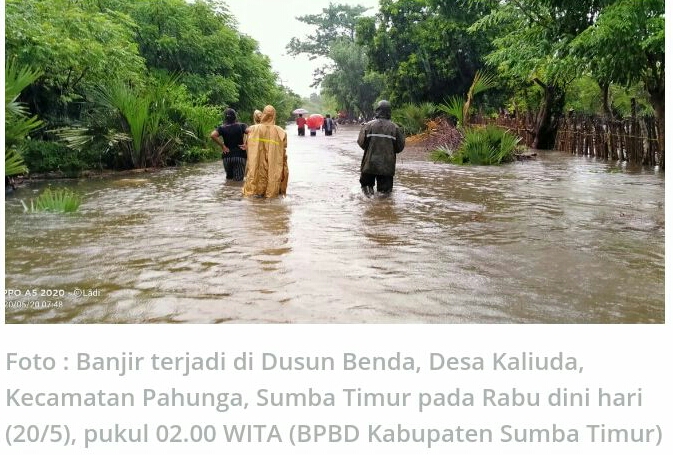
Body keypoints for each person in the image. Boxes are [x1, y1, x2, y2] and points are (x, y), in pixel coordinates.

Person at [357, 100, 405, 195]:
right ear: (389, 112)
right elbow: (400, 147)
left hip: (369, 165)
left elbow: (361, 143)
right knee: (385, 195)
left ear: (377, 111)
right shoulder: (395, 128)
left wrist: (370, 149)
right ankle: (384, 208)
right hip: (387, 166)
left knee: (366, 193)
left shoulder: (368, 126)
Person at [242, 105, 289, 198]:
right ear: (274, 115)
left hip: (256, 167)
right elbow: (284, 149)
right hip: (273, 166)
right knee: (272, 189)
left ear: (263, 114)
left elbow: (246, 145)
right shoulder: (281, 131)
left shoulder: (252, 129)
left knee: (253, 197)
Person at [210, 108, 248, 181]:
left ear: (225, 118)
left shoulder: (222, 128)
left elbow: (212, 135)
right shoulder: (242, 126)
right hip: (239, 156)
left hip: (227, 157)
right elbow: (251, 132)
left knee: (229, 180)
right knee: (238, 182)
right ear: (235, 116)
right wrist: (246, 144)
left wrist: (223, 146)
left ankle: (228, 192)